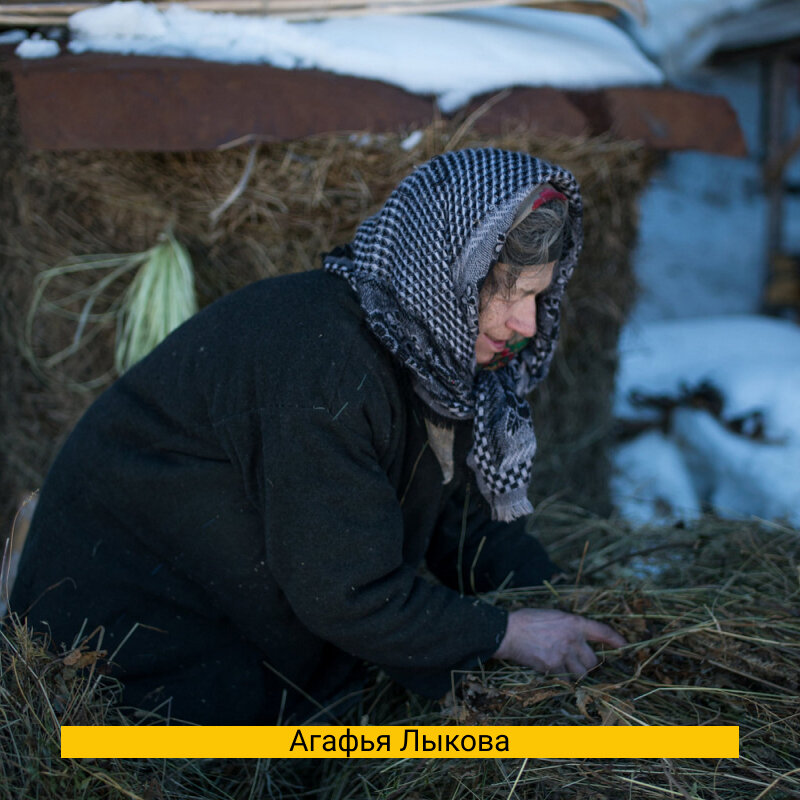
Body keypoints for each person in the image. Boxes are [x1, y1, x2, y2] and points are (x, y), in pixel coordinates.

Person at [10, 148, 625, 724]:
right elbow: (347, 593)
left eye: (538, 296)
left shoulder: (428, 353)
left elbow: (455, 519)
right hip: (126, 659)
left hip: (242, 620)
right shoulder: (325, 365)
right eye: (509, 295)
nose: (526, 324)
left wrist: (561, 602)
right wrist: (506, 634)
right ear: (444, 273)